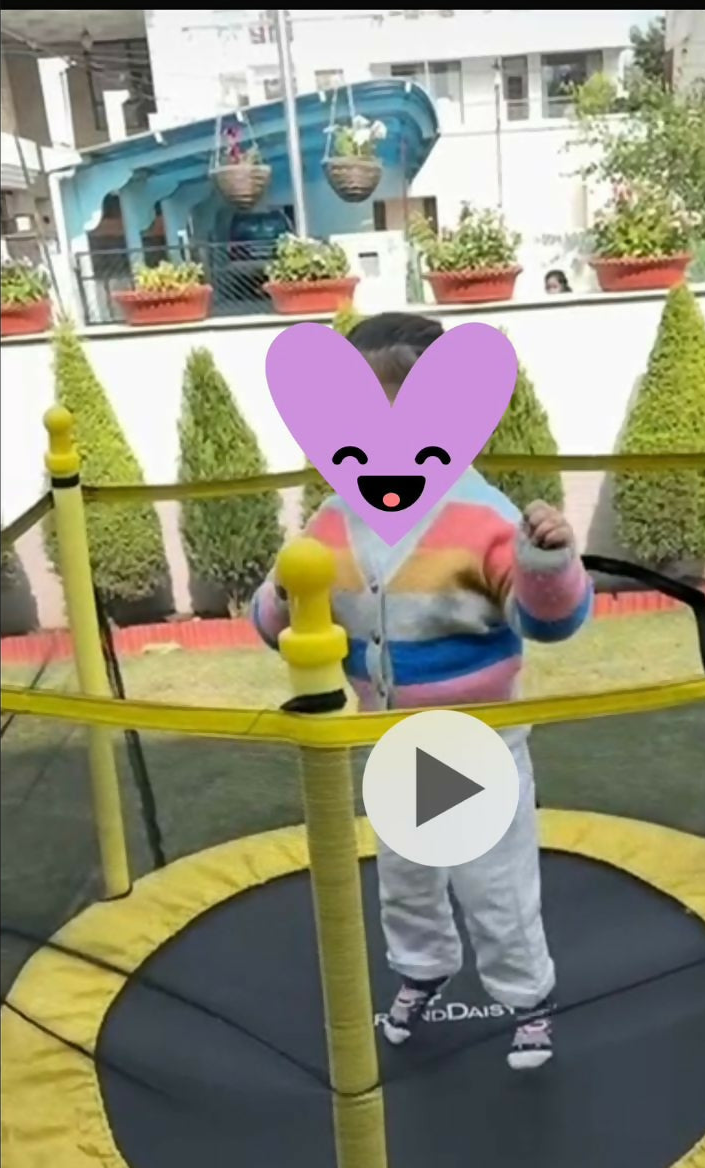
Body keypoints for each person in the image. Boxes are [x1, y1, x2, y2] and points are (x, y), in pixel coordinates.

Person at [252, 312, 592, 1069]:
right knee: (404, 880)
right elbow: (280, 618)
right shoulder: (336, 519)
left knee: (494, 885)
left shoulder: (487, 518)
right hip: (392, 743)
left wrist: (547, 566)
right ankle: (422, 968)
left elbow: (552, 622)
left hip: (478, 745)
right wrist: (281, 596)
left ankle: (525, 997)